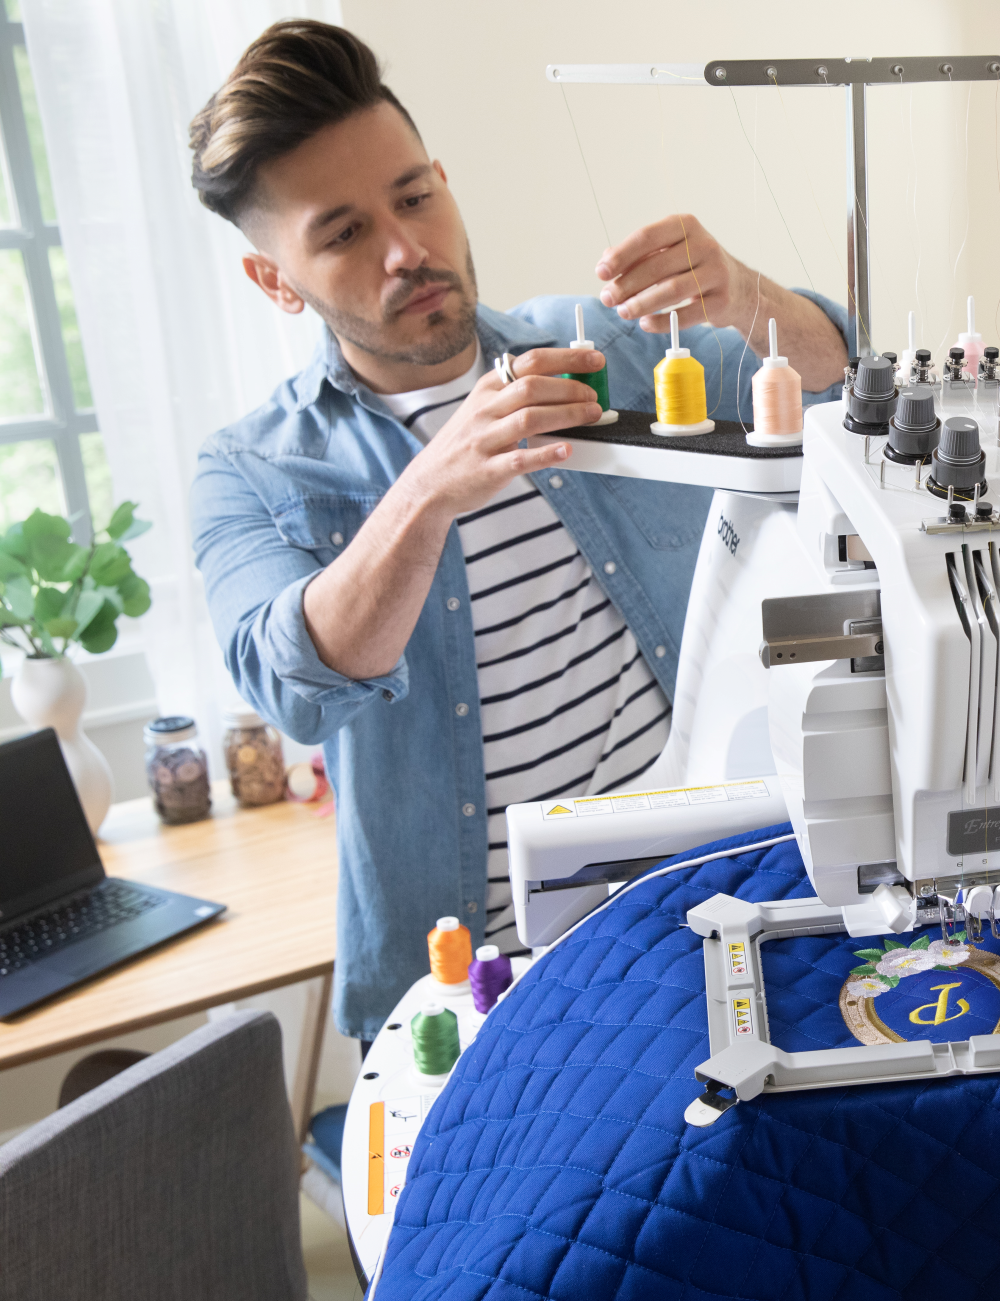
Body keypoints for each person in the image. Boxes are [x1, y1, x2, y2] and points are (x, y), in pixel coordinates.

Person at [186, 20, 850, 1041]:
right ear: (275, 282)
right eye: (344, 232)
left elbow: (837, 374)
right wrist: (429, 485)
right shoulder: (251, 469)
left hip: (695, 917)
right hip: (483, 991)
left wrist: (742, 291)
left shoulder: (600, 351)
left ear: (444, 182)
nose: (407, 250)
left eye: (414, 197)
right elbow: (293, 682)